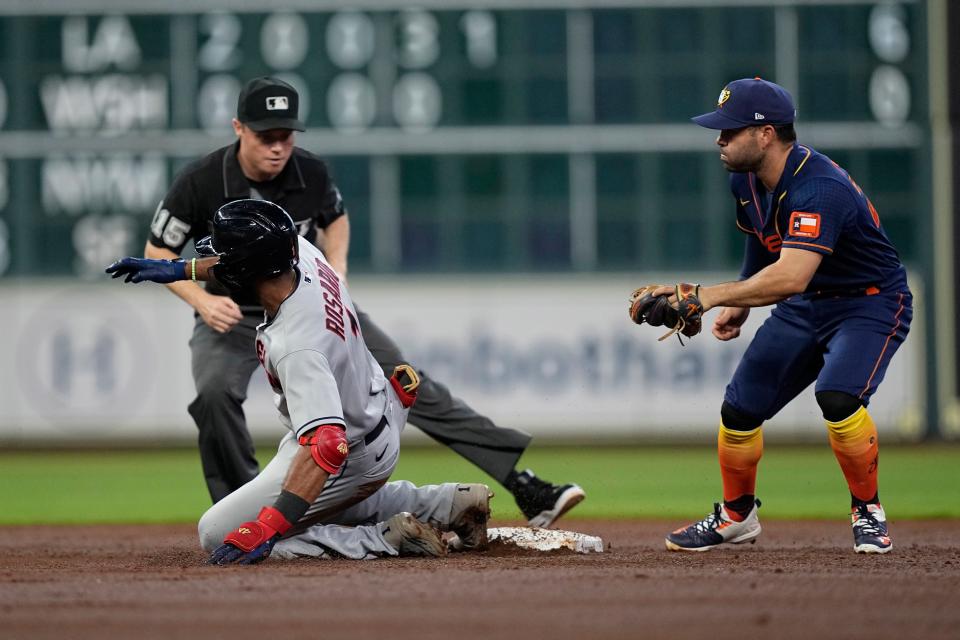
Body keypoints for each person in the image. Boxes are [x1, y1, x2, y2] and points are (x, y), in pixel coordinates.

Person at [145, 76, 584, 526]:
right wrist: (200, 300)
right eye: (265, 136)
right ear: (238, 128)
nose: (278, 146)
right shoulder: (200, 181)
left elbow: (335, 218)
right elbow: (157, 252)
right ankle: (242, 511)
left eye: (286, 135)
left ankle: (524, 484)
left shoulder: (309, 172)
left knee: (406, 380)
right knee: (215, 392)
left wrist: (337, 267)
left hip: (306, 303)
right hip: (229, 312)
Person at [109, 199, 493, 563]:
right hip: (377, 413)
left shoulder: (297, 345)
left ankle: (382, 539)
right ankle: (448, 503)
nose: (216, 263)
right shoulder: (301, 252)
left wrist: (268, 527)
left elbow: (327, 448)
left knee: (218, 532)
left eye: (223, 258)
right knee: (318, 500)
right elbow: (244, 263)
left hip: (350, 450)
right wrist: (183, 270)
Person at [644, 78, 911, 554]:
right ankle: (735, 516)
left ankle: (868, 511)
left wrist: (705, 295)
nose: (719, 140)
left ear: (765, 135)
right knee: (740, 408)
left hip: (868, 302)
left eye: (730, 130)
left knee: (838, 396)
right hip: (808, 305)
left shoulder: (819, 187)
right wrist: (740, 304)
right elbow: (761, 239)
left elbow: (790, 276)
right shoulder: (744, 180)